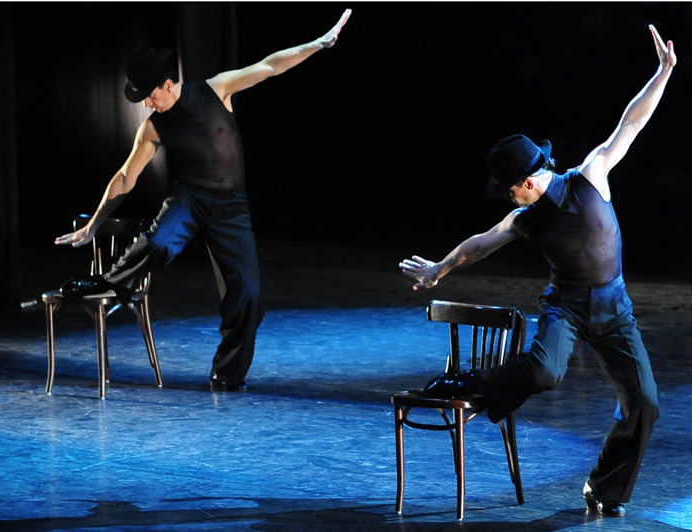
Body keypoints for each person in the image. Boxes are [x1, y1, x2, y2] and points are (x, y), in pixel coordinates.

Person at [399, 25, 675, 517]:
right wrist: (440, 268)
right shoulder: (525, 218)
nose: (508, 198)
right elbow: (481, 244)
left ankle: (604, 488)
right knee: (545, 371)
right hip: (566, 308)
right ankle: (470, 383)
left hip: (614, 307)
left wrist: (663, 73)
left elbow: (630, 124)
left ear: (527, 181)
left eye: (510, 189)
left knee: (645, 402)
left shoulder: (589, 176)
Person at [55, 9, 352, 392]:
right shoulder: (153, 128)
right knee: (159, 242)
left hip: (231, 209)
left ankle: (227, 374)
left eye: (148, 95)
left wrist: (316, 44)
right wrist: (95, 223)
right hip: (190, 200)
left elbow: (270, 66)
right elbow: (126, 177)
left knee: (248, 296)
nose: (146, 103)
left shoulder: (216, 89)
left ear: (166, 84)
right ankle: (109, 284)